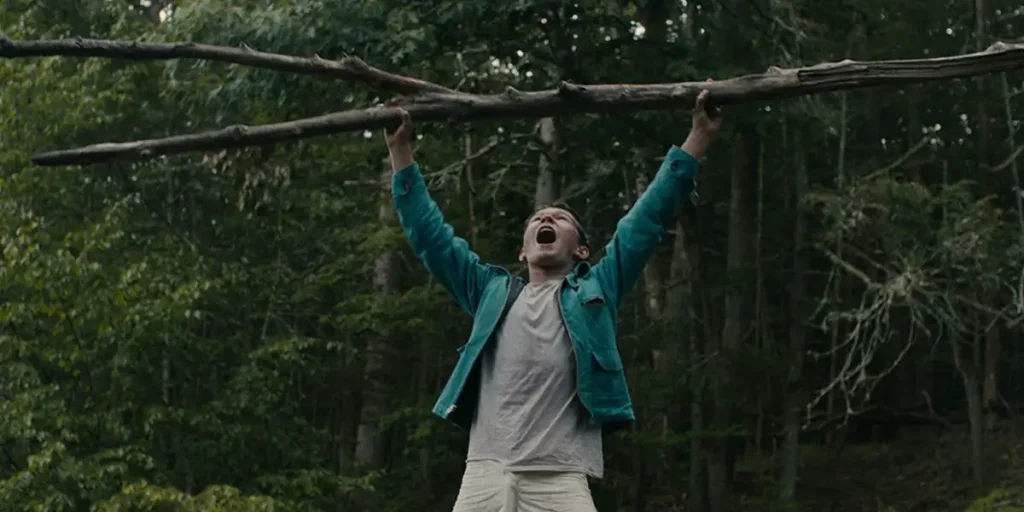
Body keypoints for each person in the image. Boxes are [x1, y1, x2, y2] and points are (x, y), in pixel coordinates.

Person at [385, 84, 722, 511]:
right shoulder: (491, 292)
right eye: (539, 218)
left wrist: (698, 139)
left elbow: (647, 219)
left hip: (561, 475)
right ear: (523, 250)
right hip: (487, 471)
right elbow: (431, 238)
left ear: (580, 249)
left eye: (560, 218)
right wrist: (400, 151)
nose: (547, 217)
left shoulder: (597, 288)